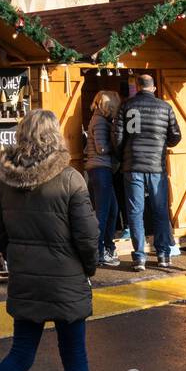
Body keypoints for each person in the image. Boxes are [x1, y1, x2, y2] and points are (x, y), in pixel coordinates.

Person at [0, 109, 99, 371]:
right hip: (67, 279)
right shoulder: (71, 179)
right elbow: (87, 236)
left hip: (26, 278)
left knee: (20, 354)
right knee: (74, 356)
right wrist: (88, 267)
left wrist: (15, 258)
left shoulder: (5, 180)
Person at [111, 72, 181, 271]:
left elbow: (117, 137)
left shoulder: (126, 105)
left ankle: (139, 257)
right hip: (156, 167)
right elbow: (176, 136)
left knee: (135, 212)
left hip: (132, 165)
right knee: (160, 211)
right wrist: (161, 144)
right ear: (154, 88)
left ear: (137, 86)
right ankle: (162, 255)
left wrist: (124, 154)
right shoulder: (165, 107)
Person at [84, 90, 120, 267]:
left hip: (99, 169)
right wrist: (117, 146)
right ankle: (99, 252)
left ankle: (105, 247)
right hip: (100, 168)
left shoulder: (98, 119)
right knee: (104, 212)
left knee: (111, 210)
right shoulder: (99, 121)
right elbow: (101, 148)